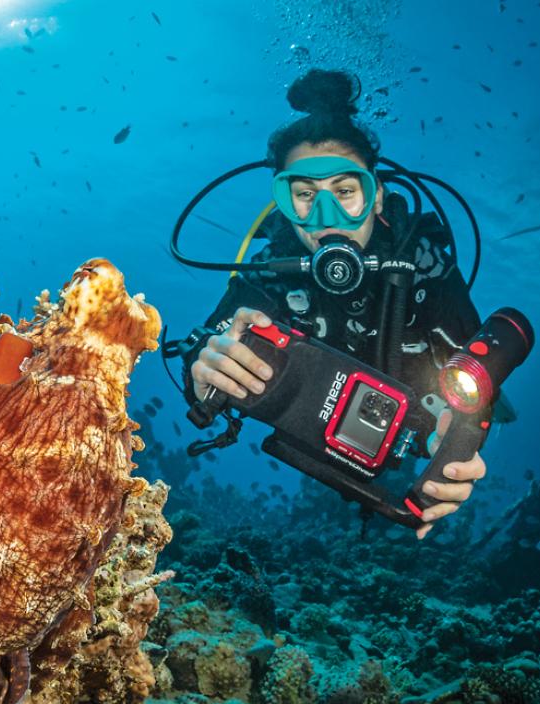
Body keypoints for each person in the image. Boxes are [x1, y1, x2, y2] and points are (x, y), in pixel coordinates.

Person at [183, 69, 487, 539]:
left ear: (376, 197)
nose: (326, 218)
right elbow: (203, 349)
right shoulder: (270, 273)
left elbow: (479, 376)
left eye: (346, 192)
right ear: (284, 203)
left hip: (409, 424)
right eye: (304, 195)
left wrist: (460, 439)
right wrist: (203, 372)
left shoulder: (421, 264)